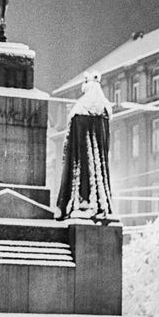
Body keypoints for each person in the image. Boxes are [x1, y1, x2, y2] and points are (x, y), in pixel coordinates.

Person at [55, 72, 114, 220]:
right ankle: (99, 203)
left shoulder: (79, 110)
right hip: (99, 165)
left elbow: (72, 143)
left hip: (80, 161)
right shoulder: (104, 111)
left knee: (81, 179)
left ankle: (80, 202)